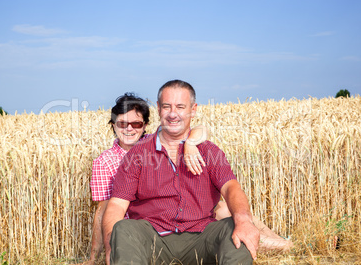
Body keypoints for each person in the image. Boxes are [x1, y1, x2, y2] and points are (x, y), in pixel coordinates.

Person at [102, 80, 260, 265]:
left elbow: (231, 187)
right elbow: (117, 205)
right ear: (159, 108)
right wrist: (111, 247)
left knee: (234, 225)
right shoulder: (137, 154)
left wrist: (243, 219)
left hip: (202, 238)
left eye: (180, 107)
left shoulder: (209, 151)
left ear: (193, 110)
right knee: (123, 228)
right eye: (167, 106)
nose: (173, 114)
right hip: (153, 240)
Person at [82, 93, 207, 265]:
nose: (129, 129)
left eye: (136, 124)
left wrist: (190, 143)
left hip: (165, 226)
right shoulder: (104, 163)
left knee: (219, 206)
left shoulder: (158, 142)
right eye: (122, 124)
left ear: (145, 125)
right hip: (133, 237)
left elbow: (199, 129)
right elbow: (103, 210)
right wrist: (94, 257)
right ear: (113, 125)